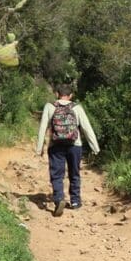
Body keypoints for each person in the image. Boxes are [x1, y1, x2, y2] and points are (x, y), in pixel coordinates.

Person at [35, 83, 100, 217]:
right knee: (74, 173)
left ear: (57, 94)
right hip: (74, 145)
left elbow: (43, 128)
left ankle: (59, 199)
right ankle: (75, 201)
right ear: (71, 96)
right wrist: (95, 147)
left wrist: (39, 148)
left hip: (55, 145)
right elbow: (87, 128)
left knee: (57, 174)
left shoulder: (50, 106)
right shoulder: (77, 107)